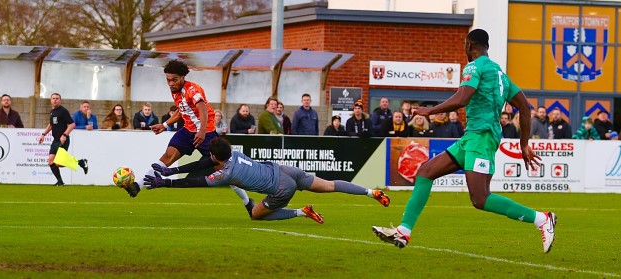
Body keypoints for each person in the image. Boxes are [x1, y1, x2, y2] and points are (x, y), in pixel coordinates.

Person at [372, 29, 556, 253]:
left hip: (482, 138)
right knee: (425, 172)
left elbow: (462, 98)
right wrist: (523, 144)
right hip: (472, 138)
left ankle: (542, 219)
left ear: (469, 45)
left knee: (480, 198)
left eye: (464, 45)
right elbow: (525, 108)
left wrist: (429, 111)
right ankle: (404, 230)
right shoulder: (499, 74)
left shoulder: (474, 67)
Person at [143, 137, 391, 223]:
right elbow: (205, 163)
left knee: (255, 214)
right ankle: (372, 193)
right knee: (329, 185)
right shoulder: (235, 154)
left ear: (216, 156)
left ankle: (302, 212)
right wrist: (171, 171)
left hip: (281, 188)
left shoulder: (225, 174)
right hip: (285, 170)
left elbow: (195, 181)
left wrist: (164, 182)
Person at [131, 60, 252, 217]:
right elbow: (182, 111)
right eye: (168, 79)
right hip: (188, 131)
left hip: (206, 132)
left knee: (224, 170)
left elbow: (203, 109)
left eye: (174, 79)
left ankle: (247, 202)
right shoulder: (175, 91)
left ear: (182, 77)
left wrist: (201, 131)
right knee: (168, 156)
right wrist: (165, 124)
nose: (170, 83)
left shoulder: (192, 89)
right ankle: (138, 186)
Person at [36, 93, 89, 186]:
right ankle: (60, 181)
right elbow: (51, 124)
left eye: (57, 98)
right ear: (50, 100)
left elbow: (72, 124)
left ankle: (81, 162)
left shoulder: (63, 111)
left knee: (59, 163)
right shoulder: (52, 111)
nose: (55, 100)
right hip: (55, 139)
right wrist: (43, 134)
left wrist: (64, 135)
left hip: (62, 140)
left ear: (60, 100)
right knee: (50, 161)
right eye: (53, 98)